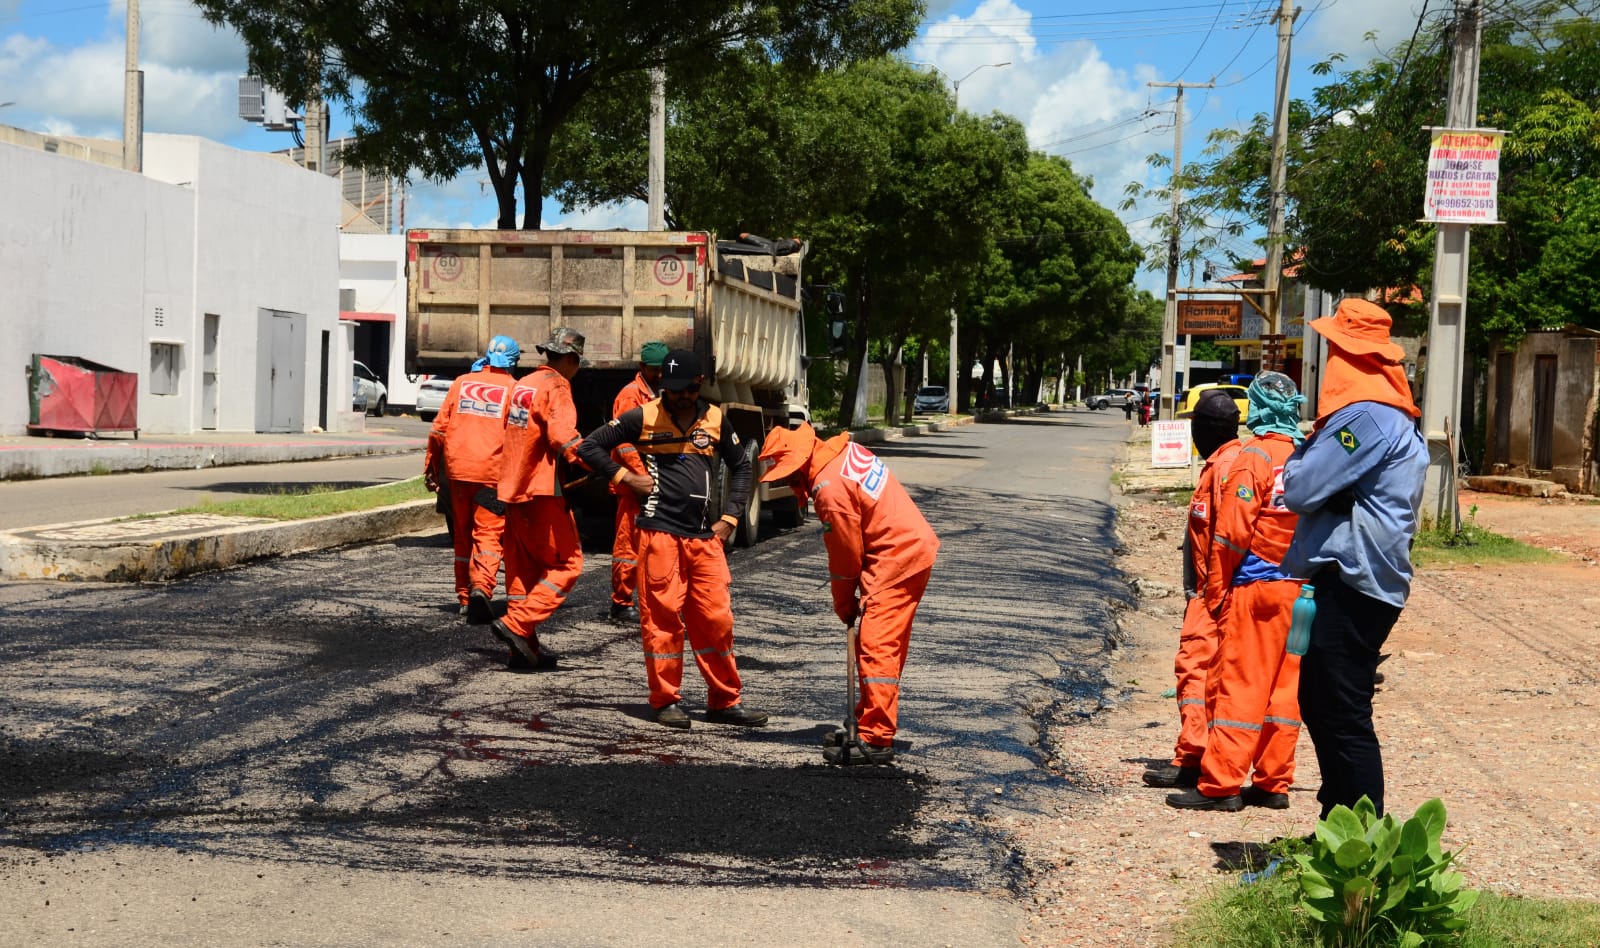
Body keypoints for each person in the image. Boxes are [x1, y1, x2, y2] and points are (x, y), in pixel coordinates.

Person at [1281, 298, 1426, 819]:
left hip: (1354, 580)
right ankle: (1335, 827)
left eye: (1333, 347)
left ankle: (1360, 844)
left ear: (1348, 353)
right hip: (1361, 579)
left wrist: (1303, 461)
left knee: (1341, 713)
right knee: (1323, 704)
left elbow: (1298, 488)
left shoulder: (1364, 419)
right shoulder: (1389, 417)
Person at [576, 349, 768, 730]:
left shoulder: (715, 419)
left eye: (687, 390)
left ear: (699, 385)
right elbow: (589, 447)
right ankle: (665, 701)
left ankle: (724, 701)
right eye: (673, 389)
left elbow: (743, 465)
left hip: (704, 540)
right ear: (663, 383)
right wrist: (625, 479)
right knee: (662, 622)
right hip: (659, 535)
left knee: (717, 619)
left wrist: (730, 518)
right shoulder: (643, 416)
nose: (680, 396)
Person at [757, 421, 939, 766]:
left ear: (798, 466)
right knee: (878, 643)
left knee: (876, 644)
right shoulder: (841, 455)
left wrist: (843, 601)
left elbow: (845, 555)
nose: (790, 483)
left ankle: (876, 737)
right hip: (906, 548)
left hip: (896, 556)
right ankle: (869, 718)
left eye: (790, 476)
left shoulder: (829, 488)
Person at [1167, 372, 1308, 811]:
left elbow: (1230, 535)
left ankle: (1222, 785)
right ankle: (1273, 784)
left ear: (1260, 409)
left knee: (1239, 686)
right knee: (1285, 692)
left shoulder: (1254, 458)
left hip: (1256, 589)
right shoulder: (1306, 457)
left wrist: (1216, 591)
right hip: (1303, 591)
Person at [1143, 388, 1243, 789]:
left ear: (1206, 428)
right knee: (1203, 675)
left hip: (1213, 595)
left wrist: (1211, 596)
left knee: (1194, 672)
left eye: (1195, 425)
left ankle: (1194, 757)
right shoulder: (1221, 464)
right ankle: (1200, 754)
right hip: (1208, 592)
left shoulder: (1227, 469)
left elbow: (1229, 539)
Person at [489, 327, 589, 672]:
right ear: (572, 359)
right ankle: (517, 625)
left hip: (512, 487)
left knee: (523, 568)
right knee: (568, 564)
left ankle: (522, 650)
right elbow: (562, 435)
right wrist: (594, 461)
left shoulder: (523, 385)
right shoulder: (557, 385)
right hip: (540, 488)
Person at [422, 335, 518, 623]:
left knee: (462, 535)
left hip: (458, 473)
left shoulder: (462, 383)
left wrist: (431, 470)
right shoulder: (515, 389)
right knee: (487, 535)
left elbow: (438, 430)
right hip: (491, 475)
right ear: (513, 361)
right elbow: (518, 437)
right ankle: (482, 590)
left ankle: (464, 597)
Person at [604, 341, 668, 623]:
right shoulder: (630, 396)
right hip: (634, 483)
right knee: (628, 546)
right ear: (643, 368)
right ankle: (620, 602)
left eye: (663, 370)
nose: (660, 375)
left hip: (653, 481)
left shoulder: (660, 394)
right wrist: (641, 477)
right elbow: (624, 444)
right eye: (655, 370)